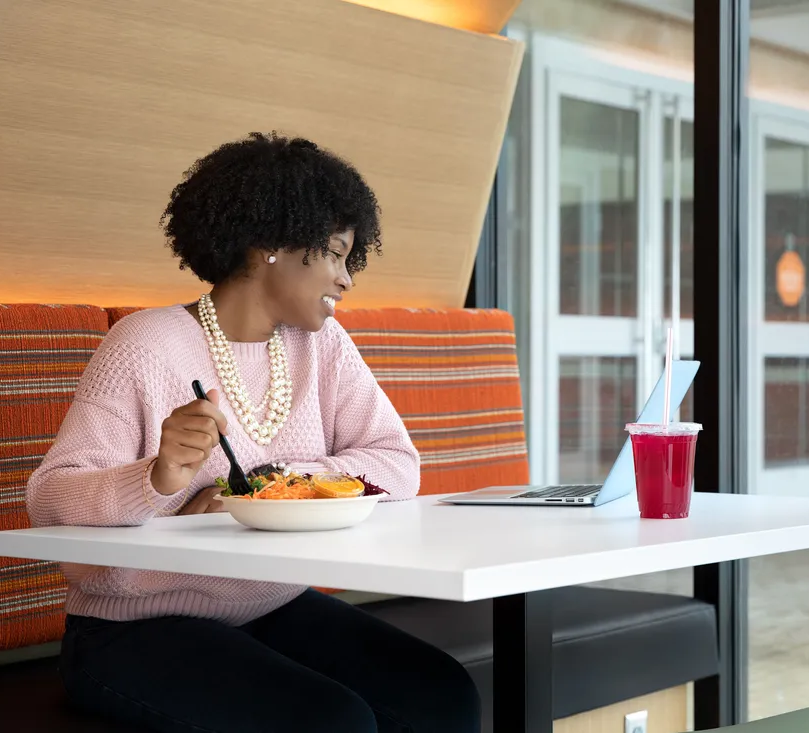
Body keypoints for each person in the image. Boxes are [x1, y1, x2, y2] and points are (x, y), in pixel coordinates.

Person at [26, 132, 480, 732]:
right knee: (332, 722)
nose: (346, 279)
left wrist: (270, 490)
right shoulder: (142, 346)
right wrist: (156, 479)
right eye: (335, 255)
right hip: (130, 628)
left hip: (269, 602)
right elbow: (48, 499)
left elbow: (395, 462)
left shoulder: (322, 345)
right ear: (271, 245)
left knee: (443, 695)